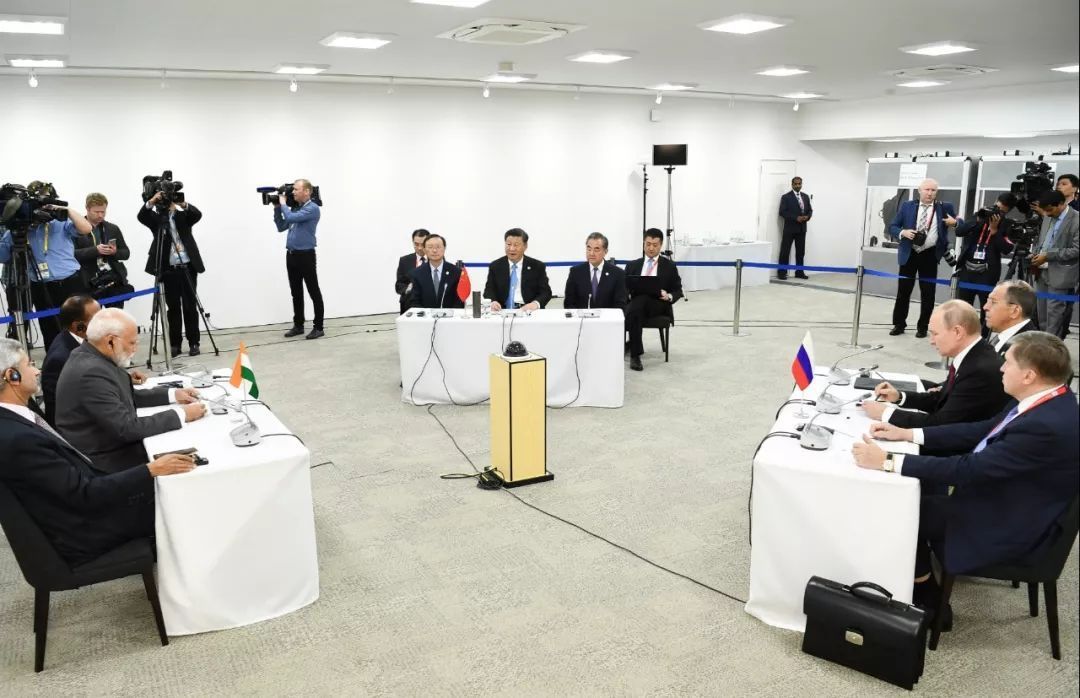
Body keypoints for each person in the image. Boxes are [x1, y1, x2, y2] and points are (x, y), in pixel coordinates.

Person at [853, 332, 1079, 619]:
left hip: (1009, 523)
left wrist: (886, 460)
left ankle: (928, 596)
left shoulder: (1045, 425)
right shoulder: (1047, 398)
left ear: (1029, 375)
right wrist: (908, 433)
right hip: (1010, 495)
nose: (1001, 368)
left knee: (901, 509)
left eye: (1008, 363)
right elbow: (982, 430)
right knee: (921, 482)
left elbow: (969, 470)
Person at [0, 338, 196, 566]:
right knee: (184, 496)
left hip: (81, 504)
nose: (37, 371)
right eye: (29, 364)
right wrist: (150, 470)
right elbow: (83, 495)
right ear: (12, 376)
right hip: (85, 531)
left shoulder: (14, 418)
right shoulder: (18, 438)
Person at [55, 308, 206, 474]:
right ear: (110, 341)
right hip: (107, 464)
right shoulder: (91, 372)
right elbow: (126, 428)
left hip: (113, 448)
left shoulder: (92, 356)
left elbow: (124, 395)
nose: (135, 349)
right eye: (132, 343)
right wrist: (181, 414)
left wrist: (172, 394)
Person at [862, 300, 1007, 428]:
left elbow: (943, 423)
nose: (931, 341)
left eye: (935, 334)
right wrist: (899, 397)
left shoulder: (978, 370)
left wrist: (887, 414)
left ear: (957, 332)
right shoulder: (975, 354)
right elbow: (942, 399)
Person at [0, 181, 93, 351]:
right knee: (50, 329)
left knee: (81, 326)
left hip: (70, 282)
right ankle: (56, 361)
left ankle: (86, 358)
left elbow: (86, 228)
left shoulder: (59, 222)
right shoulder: (21, 227)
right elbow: (3, 256)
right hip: (40, 286)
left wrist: (66, 209)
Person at [138, 191, 205, 357]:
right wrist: (152, 201)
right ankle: (175, 344)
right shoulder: (157, 219)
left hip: (188, 267)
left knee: (190, 306)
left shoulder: (183, 216)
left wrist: (182, 204)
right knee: (173, 307)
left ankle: (194, 342)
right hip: (168, 269)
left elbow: (197, 215)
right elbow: (142, 216)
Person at [889, 179, 959, 338]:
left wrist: (954, 223)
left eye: (933, 190)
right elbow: (893, 226)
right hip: (909, 253)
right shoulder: (907, 206)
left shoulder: (945, 207)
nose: (930, 193)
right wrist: (903, 232)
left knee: (928, 293)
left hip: (930, 254)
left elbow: (960, 223)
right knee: (903, 292)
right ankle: (899, 324)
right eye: (927, 189)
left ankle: (923, 327)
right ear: (919, 190)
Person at [953, 194, 1017, 330]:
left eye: (1001, 211)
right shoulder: (980, 216)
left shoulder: (1007, 224)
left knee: (987, 309)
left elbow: (1006, 249)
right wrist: (978, 220)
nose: (996, 212)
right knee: (963, 308)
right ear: (995, 202)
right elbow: (959, 231)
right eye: (996, 207)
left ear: (1007, 211)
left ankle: (983, 336)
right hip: (967, 270)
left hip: (987, 273)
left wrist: (994, 231)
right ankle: (963, 332)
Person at [623, 229, 683, 371]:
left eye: (655, 245)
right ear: (643, 243)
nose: (651, 248)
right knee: (637, 306)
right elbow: (624, 288)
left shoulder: (669, 266)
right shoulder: (632, 265)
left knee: (635, 306)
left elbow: (678, 290)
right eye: (648, 244)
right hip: (637, 305)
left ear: (660, 245)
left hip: (658, 304)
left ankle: (632, 349)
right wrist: (627, 295)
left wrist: (668, 296)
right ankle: (635, 353)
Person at [274, 179, 324, 339]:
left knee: (313, 291)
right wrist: (277, 208)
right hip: (291, 255)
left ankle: (319, 327)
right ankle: (298, 325)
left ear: (307, 191)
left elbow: (289, 218)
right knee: (296, 292)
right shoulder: (295, 209)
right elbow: (281, 226)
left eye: (296, 189)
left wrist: (283, 203)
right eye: (293, 190)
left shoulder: (312, 208)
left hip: (305, 255)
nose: (293, 192)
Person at [41, 295, 100, 426]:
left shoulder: (79, 339)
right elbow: (63, 409)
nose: (104, 322)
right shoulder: (61, 359)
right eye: (97, 319)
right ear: (78, 326)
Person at [1030, 190, 1078, 338]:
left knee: (1054, 315)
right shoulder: (1047, 216)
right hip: (1041, 272)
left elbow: (1076, 250)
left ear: (1061, 204)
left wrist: (1048, 256)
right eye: (1044, 210)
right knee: (1042, 315)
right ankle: (1044, 344)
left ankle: (1051, 347)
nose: (1047, 213)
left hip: (1061, 274)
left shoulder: (1076, 220)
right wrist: (1036, 252)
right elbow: (1043, 241)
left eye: (1050, 210)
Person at [74, 192, 132, 308]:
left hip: (112, 280)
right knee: (92, 318)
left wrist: (115, 252)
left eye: (103, 211)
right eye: (96, 212)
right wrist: (95, 251)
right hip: (87, 283)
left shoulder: (112, 228)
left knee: (115, 317)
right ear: (87, 208)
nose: (100, 215)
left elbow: (126, 253)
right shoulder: (74, 229)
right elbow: (71, 254)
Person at [484, 228, 553, 312]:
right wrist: (493, 302)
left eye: (516, 245)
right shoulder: (495, 266)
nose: (512, 249)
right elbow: (489, 291)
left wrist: (535, 304)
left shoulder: (537, 266)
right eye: (508, 244)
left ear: (525, 246)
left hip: (528, 310)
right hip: (502, 311)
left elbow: (546, 292)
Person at [564, 233, 627, 310]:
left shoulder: (618, 273)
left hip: (607, 317)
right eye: (589, 249)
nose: (591, 253)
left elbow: (620, 304)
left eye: (596, 249)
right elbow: (569, 303)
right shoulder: (575, 272)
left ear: (605, 251)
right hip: (581, 317)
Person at [409, 234, 464, 309]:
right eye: (430, 247)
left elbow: (459, 300)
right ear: (424, 250)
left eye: (438, 247)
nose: (434, 251)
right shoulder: (416, 273)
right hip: (425, 315)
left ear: (444, 248)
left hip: (450, 315)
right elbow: (414, 301)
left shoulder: (456, 272)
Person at [983, 280, 1036, 356]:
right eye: (987, 301)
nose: (985, 307)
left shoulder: (1027, 350)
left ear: (1015, 311)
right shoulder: (1003, 338)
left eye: (993, 302)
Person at [777, 176, 812, 280]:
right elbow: (782, 212)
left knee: (801, 252)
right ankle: (782, 272)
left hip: (802, 229)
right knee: (785, 251)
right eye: (795, 184)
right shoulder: (786, 197)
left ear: (801, 184)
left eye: (799, 184)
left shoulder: (805, 196)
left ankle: (799, 272)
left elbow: (810, 210)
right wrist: (796, 218)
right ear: (792, 184)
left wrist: (807, 216)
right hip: (790, 229)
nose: (797, 185)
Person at [396, 229, 428, 314]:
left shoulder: (436, 259)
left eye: (422, 244)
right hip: (409, 303)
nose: (419, 248)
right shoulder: (404, 260)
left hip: (431, 303)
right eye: (416, 244)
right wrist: (408, 289)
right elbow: (399, 285)